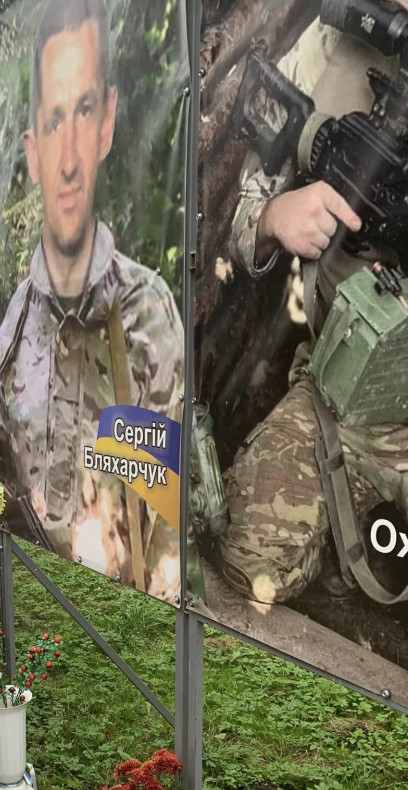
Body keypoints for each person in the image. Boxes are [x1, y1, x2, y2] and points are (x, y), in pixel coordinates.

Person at [0, 0, 184, 599]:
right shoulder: (12, 327)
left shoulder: (148, 313)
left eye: (82, 111)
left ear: (108, 123)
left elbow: (170, 521)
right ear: (31, 151)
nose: (69, 158)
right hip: (35, 619)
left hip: (124, 633)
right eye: (54, 120)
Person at [219, 10, 408, 605]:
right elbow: (241, 210)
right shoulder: (334, 39)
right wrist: (276, 218)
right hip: (346, 400)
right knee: (252, 557)